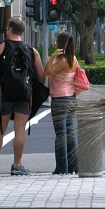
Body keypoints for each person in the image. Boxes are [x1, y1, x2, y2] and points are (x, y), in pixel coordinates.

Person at [0, 18, 45, 176]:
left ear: (10, 30)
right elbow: (41, 77)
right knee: (19, 131)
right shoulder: (32, 51)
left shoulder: (0, 48)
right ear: (22, 31)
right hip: (24, 96)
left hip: (5, 95)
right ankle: (17, 165)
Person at [44, 31, 78, 175]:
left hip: (60, 100)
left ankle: (61, 168)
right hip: (71, 98)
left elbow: (46, 72)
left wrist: (52, 56)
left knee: (61, 135)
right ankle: (74, 166)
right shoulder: (73, 59)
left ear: (60, 43)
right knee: (70, 134)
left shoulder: (62, 61)